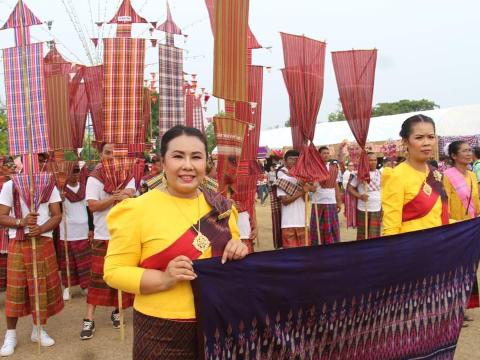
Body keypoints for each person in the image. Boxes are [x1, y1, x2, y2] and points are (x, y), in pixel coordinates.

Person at [103, 125, 248, 359]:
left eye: (196, 157)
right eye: (178, 156)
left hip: (219, 322)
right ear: (162, 162)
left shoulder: (222, 209)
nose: (188, 165)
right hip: (160, 329)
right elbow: (114, 272)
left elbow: (232, 258)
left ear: (206, 163)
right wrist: (163, 279)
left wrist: (239, 251)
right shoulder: (135, 210)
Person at [0, 154, 63, 356]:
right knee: (15, 290)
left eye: (37, 163)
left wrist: (41, 228)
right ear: (22, 166)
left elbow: (57, 214)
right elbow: (1, 216)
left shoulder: (48, 185)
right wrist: (22, 222)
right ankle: (10, 335)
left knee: (40, 288)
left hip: (42, 241)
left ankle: (38, 330)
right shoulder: (10, 186)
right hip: (18, 242)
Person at [80, 143, 136, 340]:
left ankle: (117, 312)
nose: (112, 157)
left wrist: (126, 195)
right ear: (100, 154)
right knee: (97, 278)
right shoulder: (95, 177)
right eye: (107, 153)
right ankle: (89, 319)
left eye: (115, 153)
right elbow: (93, 206)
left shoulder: (127, 173)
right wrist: (114, 198)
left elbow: (132, 195)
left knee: (121, 276)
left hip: (124, 235)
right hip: (102, 235)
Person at [382, 115, 448, 236]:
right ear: (405, 141)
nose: (426, 143)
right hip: (412, 249)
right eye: (419, 138)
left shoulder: (435, 173)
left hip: (440, 245)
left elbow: (439, 218)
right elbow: (391, 227)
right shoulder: (396, 175)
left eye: (431, 137)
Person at [58, 164, 91, 301]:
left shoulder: (85, 188)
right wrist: (60, 200)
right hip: (67, 232)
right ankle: (67, 288)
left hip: (83, 230)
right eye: (72, 172)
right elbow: (53, 210)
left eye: (77, 172)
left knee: (84, 262)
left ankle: (85, 286)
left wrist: (91, 228)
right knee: (67, 263)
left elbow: (90, 210)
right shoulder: (61, 191)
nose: (74, 174)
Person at [275, 150, 309, 248]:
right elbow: (285, 201)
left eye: (296, 159)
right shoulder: (282, 179)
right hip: (288, 223)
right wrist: (302, 192)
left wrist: (305, 186)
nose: (294, 161)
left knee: (305, 255)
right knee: (290, 256)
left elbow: (306, 199)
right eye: (291, 159)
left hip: (303, 222)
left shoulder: (303, 179)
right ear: (285, 162)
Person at [310, 147, 342, 245]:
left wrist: (339, 201)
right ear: (319, 155)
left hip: (331, 202)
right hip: (318, 202)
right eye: (324, 153)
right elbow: (308, 185)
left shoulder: (333, 168)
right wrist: (312, 186)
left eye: (328, 153)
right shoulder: (313, 168)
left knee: (331, 228)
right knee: (317, 228)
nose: (326, 155)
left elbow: (336, 185)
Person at [347, 153, 382, 240]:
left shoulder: (380, 173)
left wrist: (383, 207)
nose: (373, 162)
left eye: (375, 160)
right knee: (363, 235)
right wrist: (360, 196)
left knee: (375, 235)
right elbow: (350, 188)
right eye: (370, 160)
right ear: (366, 162)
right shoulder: (359, 174)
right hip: (363, 209)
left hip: (377, 208)